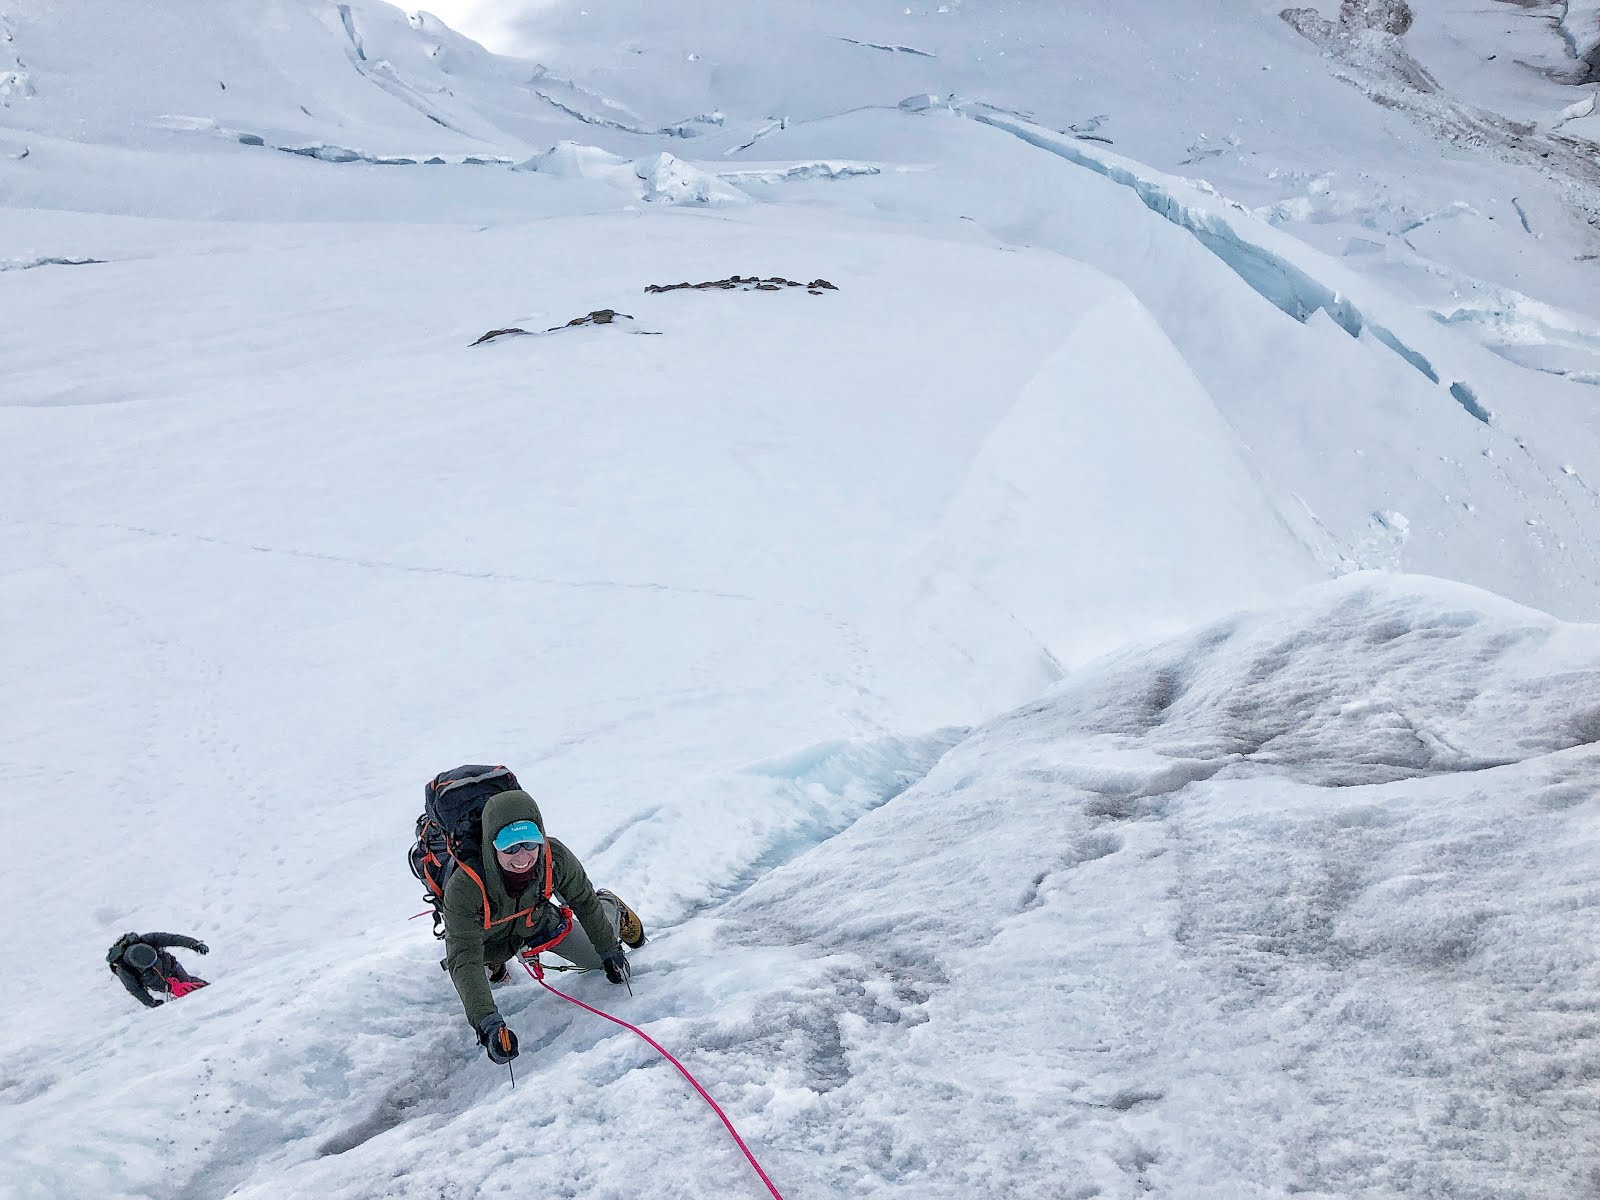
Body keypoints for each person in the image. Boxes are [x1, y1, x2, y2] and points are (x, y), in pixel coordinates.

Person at [442, 789, 645, 1064]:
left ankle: (611, 907)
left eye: (529, 843)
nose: (522, 856)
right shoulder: (465, 886)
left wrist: (609, 950)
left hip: (535, 921)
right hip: (489, 938)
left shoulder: (555, 857)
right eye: (510, 847)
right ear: (492, 847)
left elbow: (583, 902)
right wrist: (487, 1023)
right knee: (478, 962)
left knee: (596, 959)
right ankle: (495, 962)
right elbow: (463, 956)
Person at [106, 932, 210, 1008]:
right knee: (183, 993)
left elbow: (172, 939)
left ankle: (211, 990)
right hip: (157, 983)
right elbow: (135, 989)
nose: (154, 965)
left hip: (172, 967)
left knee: (188, 982)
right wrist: (151, 1002)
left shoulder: (149, 940)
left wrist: (194, 944)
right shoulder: (123, 969)